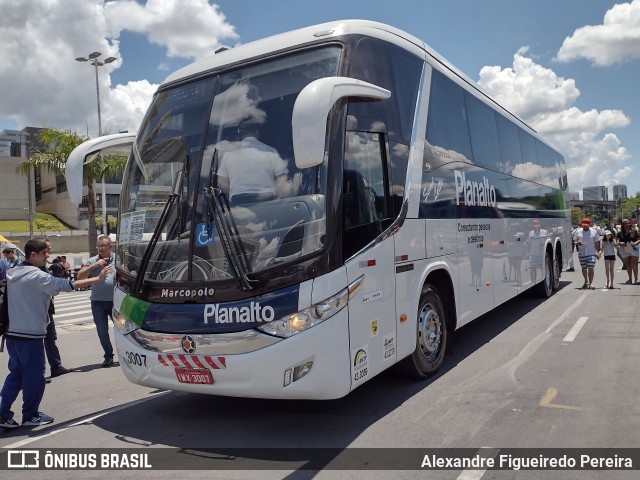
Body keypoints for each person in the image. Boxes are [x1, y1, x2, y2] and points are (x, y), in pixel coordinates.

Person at [0, 239, 111, 429]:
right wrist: (97, 279)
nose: (47, 258)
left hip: (12, 332)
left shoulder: (14, 271)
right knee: (35, 376)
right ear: (33, 254)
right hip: (30, 333)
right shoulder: (36, 275)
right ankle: (30, 414)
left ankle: (3, 414)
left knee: (16, 374)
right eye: (44, 254)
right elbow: (67, 285)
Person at [218, 122, 301, 206]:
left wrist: (235, 192)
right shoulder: (270, 151)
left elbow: (221, 183)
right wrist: (294, 188)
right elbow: (282, 184)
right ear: (257, 132)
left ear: (239, 132)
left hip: (238, 204)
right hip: (266, 201)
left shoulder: (228, 154)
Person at [76, 235, 116, 367]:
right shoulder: (93, 261)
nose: (102, 248)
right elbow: (80, 277)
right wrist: (93, 266)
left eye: (104, 245)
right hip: (98, 301)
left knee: (122, 330)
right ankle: (108, 355)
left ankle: (125, 354)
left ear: (110, 246)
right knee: (102, 330)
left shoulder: (119, 259)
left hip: (116, 301)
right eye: (99, 246)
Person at [42, 239, 71, 379]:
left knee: (50, 339)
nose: (49, 252)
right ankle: (38, 373)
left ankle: (56, 366)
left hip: (47, 308)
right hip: (39, 311)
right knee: (41, 341)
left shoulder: (45, 266)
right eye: (47, 249)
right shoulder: (38, 268)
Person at [573, 217, 600, 290]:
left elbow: (597, 242)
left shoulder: (594, 231)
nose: (585, 226)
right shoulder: (578, 231)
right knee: (584, 268)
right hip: (582, 253)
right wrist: (577, 243)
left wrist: (598, 252)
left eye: (586, 225)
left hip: (591, 253)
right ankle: (586, 281)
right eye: (583, 225)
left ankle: (591, 283)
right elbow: (574, 241)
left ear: (589, 224)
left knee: (591, 268)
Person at [616, 219, 640, 284]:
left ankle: (636, 279)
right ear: (623, 225)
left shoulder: (634, 231)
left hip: (633, 247)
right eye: (626, 223)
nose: (627, 224)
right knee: (628, 264)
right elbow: (617, 242)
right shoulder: (620, 233)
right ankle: (630, 279)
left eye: (628, 223)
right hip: (624, 248)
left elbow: (639, 239)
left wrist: (635, 243)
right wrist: (621, 243)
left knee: (634, 262)